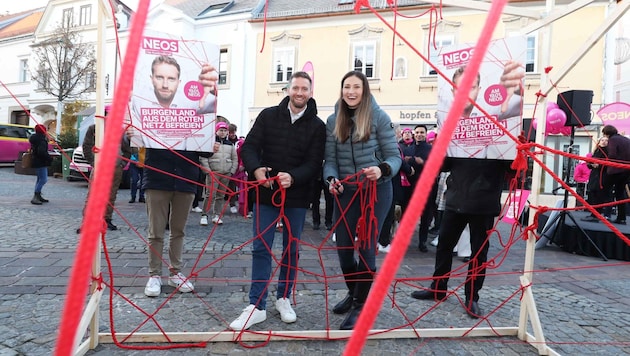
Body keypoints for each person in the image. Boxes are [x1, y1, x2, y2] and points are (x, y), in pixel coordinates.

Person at [229, 72, 325, 331]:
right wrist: (256, 169)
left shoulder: (317, 126)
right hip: (265, 193)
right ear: (288, 89)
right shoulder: (268, 115)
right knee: (261, 247)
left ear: (310, 92)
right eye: (295, 87)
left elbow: (315, 163)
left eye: (304, 88)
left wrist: (293, 177)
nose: (299, 92)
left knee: (291, 250)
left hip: (296, 196)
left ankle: (284, 297)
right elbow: (248, 147)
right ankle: (256, 305)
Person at [323, 71, 401, 330]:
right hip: (346, 191)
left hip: (376, 192)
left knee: (367, 247)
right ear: (342, 90)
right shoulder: (334, 120)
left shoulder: (379, 117)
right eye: (347, 87)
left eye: (357, 87)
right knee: (344, 249)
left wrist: (382, 169)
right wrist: (332, 178)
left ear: (364, 90)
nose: (351, 92)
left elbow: (394, 157)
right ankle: (354, 291)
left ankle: (360, 305)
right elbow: (330, 160)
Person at [411, 157, 513, 318]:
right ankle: (438, 287)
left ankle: (472, 297)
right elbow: (443, 165)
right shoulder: (459, 136)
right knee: (444, 246)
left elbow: (513, 170)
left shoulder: (500, 140)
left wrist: (517, 151)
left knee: (478, 252)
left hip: (483, 203)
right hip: (456, 199)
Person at [129, 55, 217, 149]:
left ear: (178, 82)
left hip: (182, 161)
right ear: (152, 79)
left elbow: (217, 105)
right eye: (159, 77)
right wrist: (128, 136)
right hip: (149, 161)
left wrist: (214, 89)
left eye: (171, 79)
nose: (165, 85)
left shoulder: (188, 103)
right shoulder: (138, 100)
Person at [77, 111, 132, 232]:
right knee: (92, 195)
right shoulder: (93, 129)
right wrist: (93, 162)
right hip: (99, 167)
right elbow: (86, 146)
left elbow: (128, 149)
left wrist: (122, 164)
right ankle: (87, 221)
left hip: (115, 167)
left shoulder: (120, 130)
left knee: (111, 195)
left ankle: (106, 219)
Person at [402, 124, 435, 252]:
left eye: (422, 132)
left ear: (426, 134)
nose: (419, 134)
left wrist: (424, 163)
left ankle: (422, 242)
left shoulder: (431, 149)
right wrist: (406, 161)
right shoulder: (408, 149)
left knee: (425, 216)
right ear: (414, 134)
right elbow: (403, 164)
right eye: (417, 132)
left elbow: (436, 166)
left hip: (426, 187)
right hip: (410, 187)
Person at [200, 121, 237, 226]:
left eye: (225, 131)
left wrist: (232, 171)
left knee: (220, 195)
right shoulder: (210, 142)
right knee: (210, 195)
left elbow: (235, 158)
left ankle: (216, 215)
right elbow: (203, 157)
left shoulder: (230, 144)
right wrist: (208, 170)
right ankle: (204, 215)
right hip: (213, 172)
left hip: (226, 173)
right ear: (216, 131)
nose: (223, 132)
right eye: (221, 130)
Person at [601, 125, 630, 224]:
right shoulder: (626, 139)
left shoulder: (613, 140)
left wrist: (606, 161)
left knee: (604, 189)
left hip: (615, 170)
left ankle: (599, 213)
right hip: (626, 170)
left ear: (607, 133)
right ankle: (621, 218)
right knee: (620, 193)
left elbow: (612, 154)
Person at [582, 138, 611, 222]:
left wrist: (599, 166)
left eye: (606, 140)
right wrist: (591, 164)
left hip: (602, 175)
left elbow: (608, 164)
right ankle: (593, 213)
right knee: (593, 193)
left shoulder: (608, 152)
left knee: (600, 195)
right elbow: (590, 163)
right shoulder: (597, 151)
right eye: (602, 140)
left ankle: (597, 214)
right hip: (594, 174)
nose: (604, 142)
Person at [29, 124, 52, 205]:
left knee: (39, 179)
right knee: (43, 179)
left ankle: (38, 196)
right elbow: (41, 152)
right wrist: (49, 158)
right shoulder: (41, 140)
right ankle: (36, 196)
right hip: (41, 162)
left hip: (36, 160)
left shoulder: (35, 138)